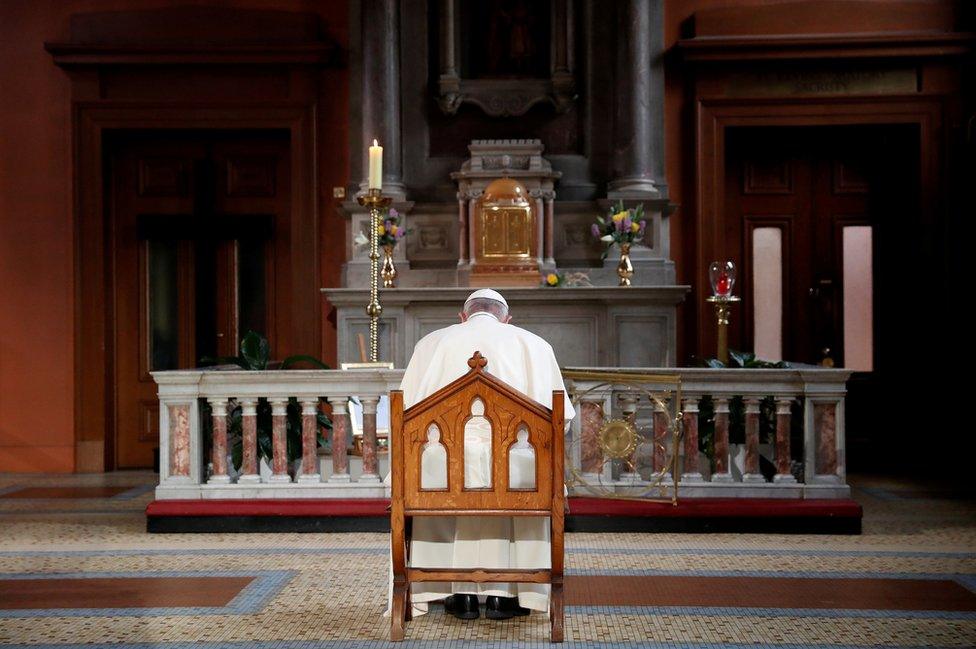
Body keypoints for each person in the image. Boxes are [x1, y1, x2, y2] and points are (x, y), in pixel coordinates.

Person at [392, 288, 575, 621]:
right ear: (506, 319)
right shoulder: (533, 345)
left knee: (433, 462)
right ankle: (508, 597)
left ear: (463, 317)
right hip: (516, 476)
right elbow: (561, 422)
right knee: (525, 463)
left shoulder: (431, 344)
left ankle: (455, 594)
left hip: (442, 474)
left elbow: (403, 417)